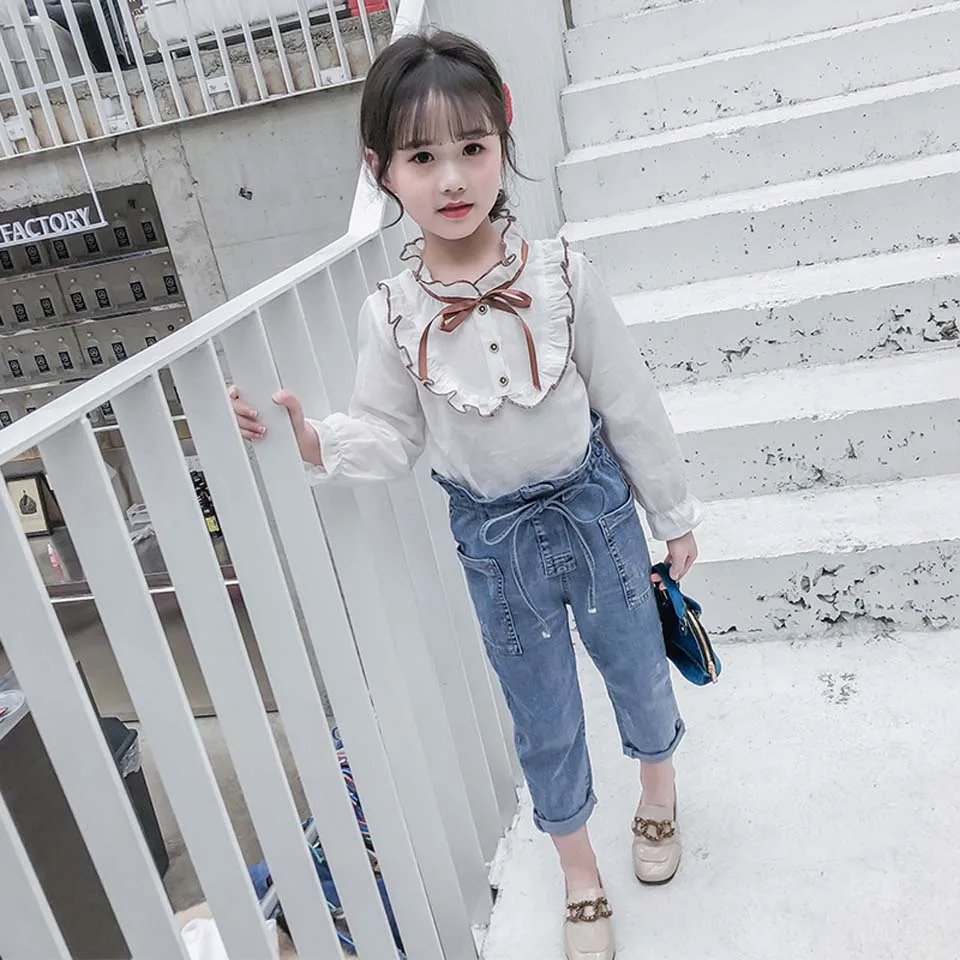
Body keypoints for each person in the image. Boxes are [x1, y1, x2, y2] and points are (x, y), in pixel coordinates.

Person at [230, 29, 701, 960]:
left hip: (596, 514)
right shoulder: (390, 314)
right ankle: (578, 871)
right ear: (382, 171)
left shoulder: (563, 275)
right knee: (542, 711)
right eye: (421, 158)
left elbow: (628, 400)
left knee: (639, 670)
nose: (451, 178)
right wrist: (315, 438)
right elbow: (391, 434)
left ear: (502, 143)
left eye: (472, 148)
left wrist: (672, 514)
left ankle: (658, 793)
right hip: (496, 548)